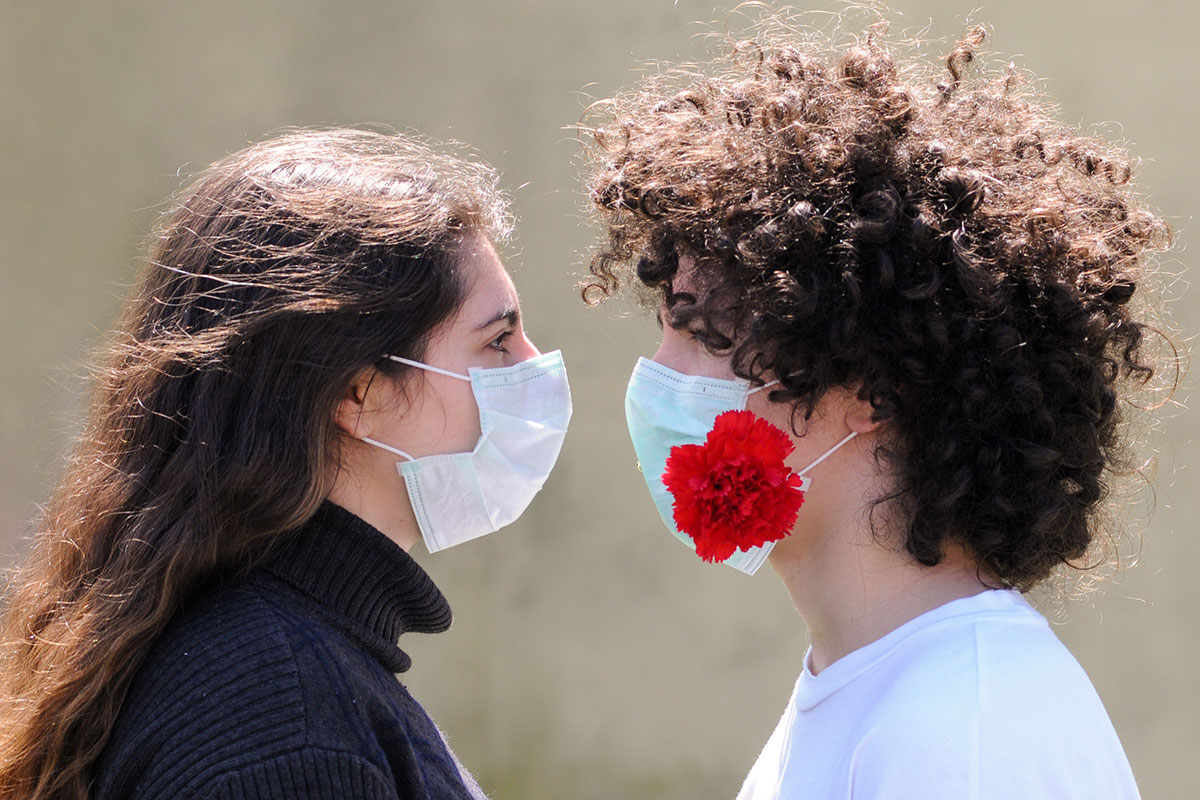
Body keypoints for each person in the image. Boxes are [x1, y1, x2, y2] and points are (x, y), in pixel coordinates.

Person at [582, 12, 1173, 799]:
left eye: (699, 331)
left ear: (866, 385)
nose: (660, 373)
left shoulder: (965, 732)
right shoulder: (878, 686)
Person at [0, 128, 571, 800]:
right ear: (359, 394)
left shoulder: (278, 667)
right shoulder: (287, 722)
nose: (535, 364)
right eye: (498, 339)